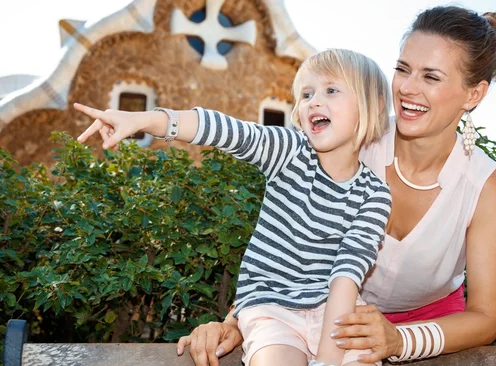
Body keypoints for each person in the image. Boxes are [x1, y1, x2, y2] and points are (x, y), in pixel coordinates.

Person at [176, 5, 496, 365]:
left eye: (431, 77)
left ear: (473, 94)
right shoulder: (351, 136)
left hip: (430, 331)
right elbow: (289, 244)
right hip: (318, 315)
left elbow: (485, 318)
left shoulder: (486, 187)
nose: (407, 88)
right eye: (402, 69)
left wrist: (399, 340)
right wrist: (237, 321)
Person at [73, 49, 393, 366]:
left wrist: (327, 360)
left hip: (335, 311)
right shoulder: (288, 151)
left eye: (331, 90)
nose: (313, 101)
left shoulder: (374, 194)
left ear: (372, 107)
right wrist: (143, 119)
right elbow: (224, 130)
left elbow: (346, 275)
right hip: (272, 308)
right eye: (306, 93)